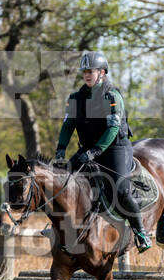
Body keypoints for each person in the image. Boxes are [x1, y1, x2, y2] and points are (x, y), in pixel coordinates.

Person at [54, 51, 152, 253]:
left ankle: (140, 232)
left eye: (91, 71)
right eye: (85, 72)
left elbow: (112, 129)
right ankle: (60, 230)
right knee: (62, 182)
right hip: (89, 150)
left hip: (115, 148)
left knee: (121, 188)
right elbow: (67, 126)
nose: (87, 75)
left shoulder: (112, 95)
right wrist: (60, 151)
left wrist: (95, 152)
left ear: (102, 73)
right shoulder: (75, 98)